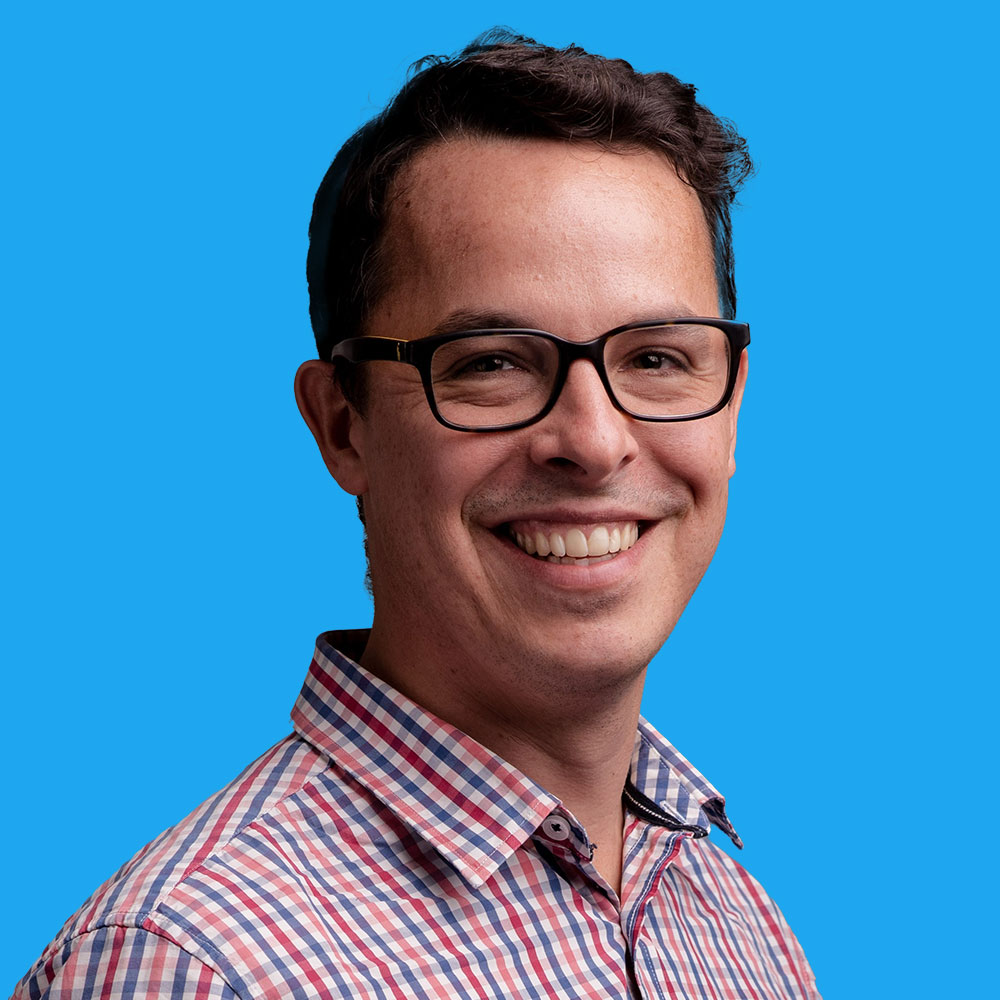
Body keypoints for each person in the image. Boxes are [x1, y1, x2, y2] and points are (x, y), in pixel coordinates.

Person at [13, 31, 821, 1000]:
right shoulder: (188, 967)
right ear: (342, 424)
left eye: (655, 357)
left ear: (729, 408)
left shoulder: (726, 916)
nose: (594, 440)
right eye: (490, 362)